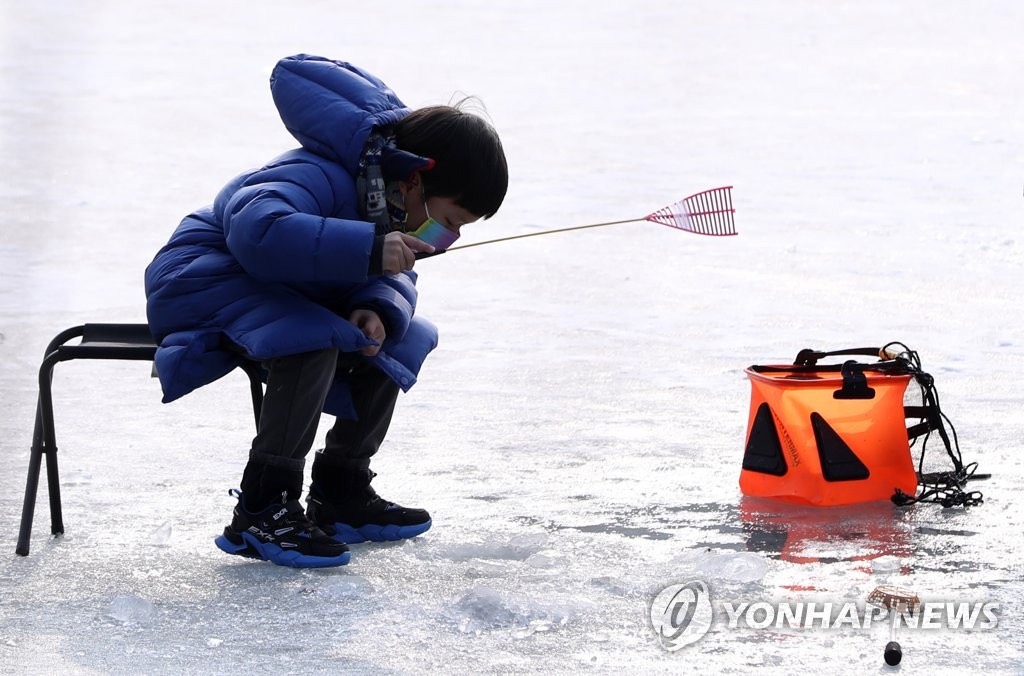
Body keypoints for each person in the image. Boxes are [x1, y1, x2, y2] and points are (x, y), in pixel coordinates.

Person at [144, 54, 508, 568]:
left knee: (398, 338)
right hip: (205, 277)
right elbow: (257, 230)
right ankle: (263, 506)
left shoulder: (385, 203)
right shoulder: (316, 173)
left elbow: (392, 273)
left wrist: (374, 305)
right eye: (448, 220)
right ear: (416, 181)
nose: (443, 239)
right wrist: (367, 249)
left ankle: (341, 488)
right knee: (310, 337)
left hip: (284, 291)